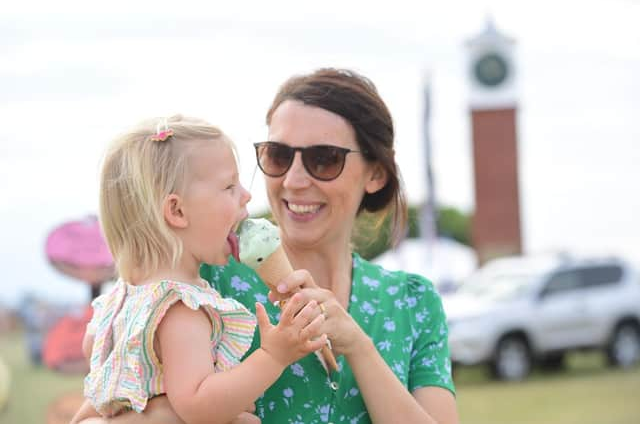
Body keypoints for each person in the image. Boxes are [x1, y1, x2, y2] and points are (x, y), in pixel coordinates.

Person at [102, 68, 458, 424]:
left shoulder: (412, 302)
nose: (294, 179)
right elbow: (95, 412)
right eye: (278, 155)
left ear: (376, 174)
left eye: (324, 159)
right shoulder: (196, 281)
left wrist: (358, 346)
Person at [70, 115, 328, 424]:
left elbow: (98, 399)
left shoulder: (119, 301)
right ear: (177, 211)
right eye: (230, 186)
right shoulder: (181, 307)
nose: (246, 195)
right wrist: (274, 356)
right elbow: (198, 405)